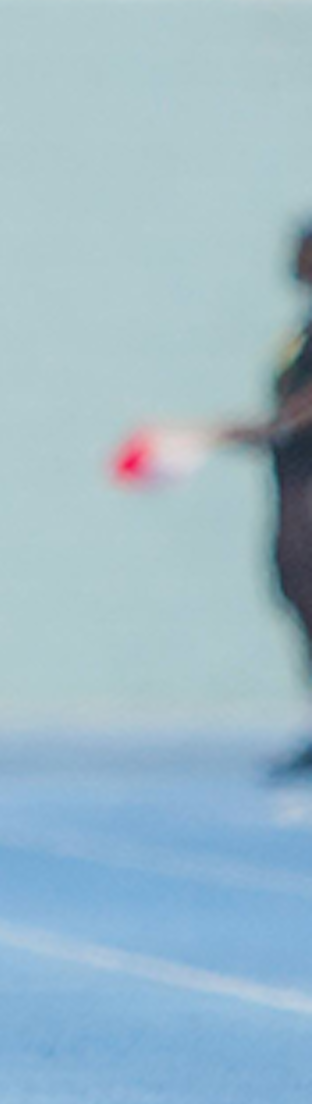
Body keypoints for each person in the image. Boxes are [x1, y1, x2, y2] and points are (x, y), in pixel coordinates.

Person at [245, 222, 312, 778]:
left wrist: (206, 436)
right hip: (293, 492)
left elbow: (295, 420)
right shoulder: (300, 333)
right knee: (298, 598)